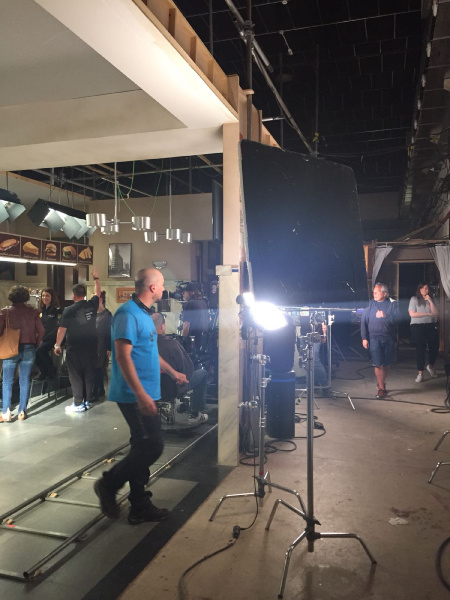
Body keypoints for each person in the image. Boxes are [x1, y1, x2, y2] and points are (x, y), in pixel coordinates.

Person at [93, 268, 188, 525]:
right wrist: (140, 394)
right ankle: (108, 484)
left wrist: (172, 372)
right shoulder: (127, 314)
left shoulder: (145, 315)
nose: (164, 288)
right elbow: (122, 356)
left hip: (146, 392)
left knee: (141, 447)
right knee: (152, 445)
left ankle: (139, 505)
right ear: (153, 287)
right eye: (162, 284)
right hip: (133, 394)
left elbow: (148, 351)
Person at [54, 268, 101, 412]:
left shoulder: (68, 310)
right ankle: (87, 401)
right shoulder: (92, 304)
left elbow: (62, 330)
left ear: (73, 295)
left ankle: (78, 403)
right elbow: (98, 293)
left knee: (75, 375)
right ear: (84, 294)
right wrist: (96, 279)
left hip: (75, 348)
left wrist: (57, 345)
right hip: (91, 346)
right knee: (89, 374)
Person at [152, 312, 209, 424]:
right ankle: (196, 413)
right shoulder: (172, 344)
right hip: (172, 388)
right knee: (202, 373)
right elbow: (188, 370)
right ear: (162, 326)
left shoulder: (143, 345)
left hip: (150, 390)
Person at [0, 285, 44, 422]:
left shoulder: (5, 312)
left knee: (7, 380)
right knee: (25, 379)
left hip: (10, 348)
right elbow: (41, 330)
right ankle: (22, 411)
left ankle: (6, 412)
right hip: (29, 346)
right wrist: (36, 342)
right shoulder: (33, 312)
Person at [361, 282, 400, 399]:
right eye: (373, 292)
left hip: (389, 338)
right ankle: (381, 388)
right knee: (378, 364)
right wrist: (364, 338)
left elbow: (398, 321)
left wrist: (386, 316)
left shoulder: (392, 304)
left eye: (377, 292)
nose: (374, 294)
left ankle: (381, 382)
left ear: (384, 293)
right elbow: (363, 321)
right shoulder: (370, 305)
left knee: (387, 364)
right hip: (374, 338)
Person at [408, 283, 439, 382]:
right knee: (420, 349)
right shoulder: (414, 299)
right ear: (419, 289)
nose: (425, 290)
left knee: (434, 347)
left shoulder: (433, 299)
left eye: (427, 288)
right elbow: (412, 314)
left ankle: (431, 365)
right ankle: (420, 373)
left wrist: (430, 301)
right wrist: (428, 314)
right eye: (423, 288)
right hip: (417, 326)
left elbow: (435, 314)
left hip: (430, 325)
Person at [35, 288, 61, 381]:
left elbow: (57, 328)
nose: (44, 298)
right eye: (43, 295)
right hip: (43, 338)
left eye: (47, 296)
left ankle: (51, 372)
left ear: (52, 297)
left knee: (41, 350)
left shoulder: (57, 311)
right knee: (33, 352)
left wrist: (45, 339)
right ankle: (43, 372)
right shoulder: (41, 311)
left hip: (53, 338)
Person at [92, 290, 112, 400]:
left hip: (102, 344)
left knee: (98, 367)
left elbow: (109, 332)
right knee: (96, 368)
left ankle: (95, 392)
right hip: (91, 344)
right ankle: (100, 389)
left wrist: (109, 347)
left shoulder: (107, 314)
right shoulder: (91, 313)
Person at [182, 282, 209, 351]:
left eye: (184, 292)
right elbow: (208, 319)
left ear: (191, 292)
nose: (183, 294)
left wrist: (182, 339)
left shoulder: (189, 304)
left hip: (193, 339)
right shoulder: (203, 303)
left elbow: (186, 324)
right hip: (204, 339)